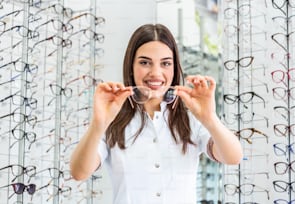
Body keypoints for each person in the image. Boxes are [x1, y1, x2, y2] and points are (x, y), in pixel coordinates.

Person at [70, 23, 243, 204]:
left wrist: (210, 119)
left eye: (165, 63)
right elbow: (79, 172)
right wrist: (98, 124)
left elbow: (233, 157)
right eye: (145, 62)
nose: (156, 73)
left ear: (174, 67)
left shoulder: (190, 117)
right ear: (131, 66)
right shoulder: (112, 118)